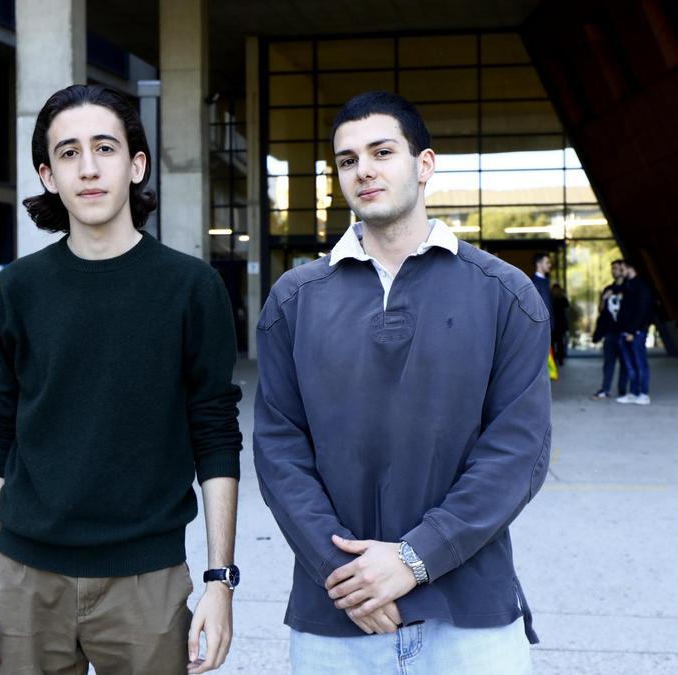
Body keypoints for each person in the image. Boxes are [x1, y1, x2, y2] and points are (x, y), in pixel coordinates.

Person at [253, 90, 551, 674]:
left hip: (469, 622)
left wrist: (414, 559)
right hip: (338, 615)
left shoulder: (505, 294)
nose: (363, 169)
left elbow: (517, 452)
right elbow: (279, 448)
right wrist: (345, 575)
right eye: (346, 160)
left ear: (425, 165)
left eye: (382, 151)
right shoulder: (294, 300)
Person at [0, 84, 243, 674]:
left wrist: (220, 582)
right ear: (47, 175)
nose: (88, 168)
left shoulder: (191, 289)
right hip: (27, 577)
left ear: (136, 165)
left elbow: (215, 436)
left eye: (105, 148)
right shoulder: (17, 290)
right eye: (68, 153)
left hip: (147, 582)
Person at [617, 261, 655, 406]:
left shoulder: (641, 286)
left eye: (622, 269)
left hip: (636, 332)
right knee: (630, 365)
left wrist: (633, 330)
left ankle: (644, 394)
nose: (620, 272)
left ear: (631, 268)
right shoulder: (628, 285)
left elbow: (642, 310)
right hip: (625, 331)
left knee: (640, 364)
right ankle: (633, 393)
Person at [591, 259, 627, 399]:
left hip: (623, 332)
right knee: (608, 363)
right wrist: (603, 298)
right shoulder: (608, 289)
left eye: (617, 268)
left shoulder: (628, 288)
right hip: (610, 333)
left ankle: (623, 391)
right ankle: (605, 389)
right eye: (612, 269)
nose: (614, 271)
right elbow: (601, 310)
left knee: (625, 364)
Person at [550, 283, 570, 366]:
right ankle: (554, 360)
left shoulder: (562, 299)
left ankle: (560, 359)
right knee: (552, 343)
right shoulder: (550, 299)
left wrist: (562, 296)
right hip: (552, 324)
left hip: (560, 324)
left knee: (560, 343)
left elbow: (567, 305)